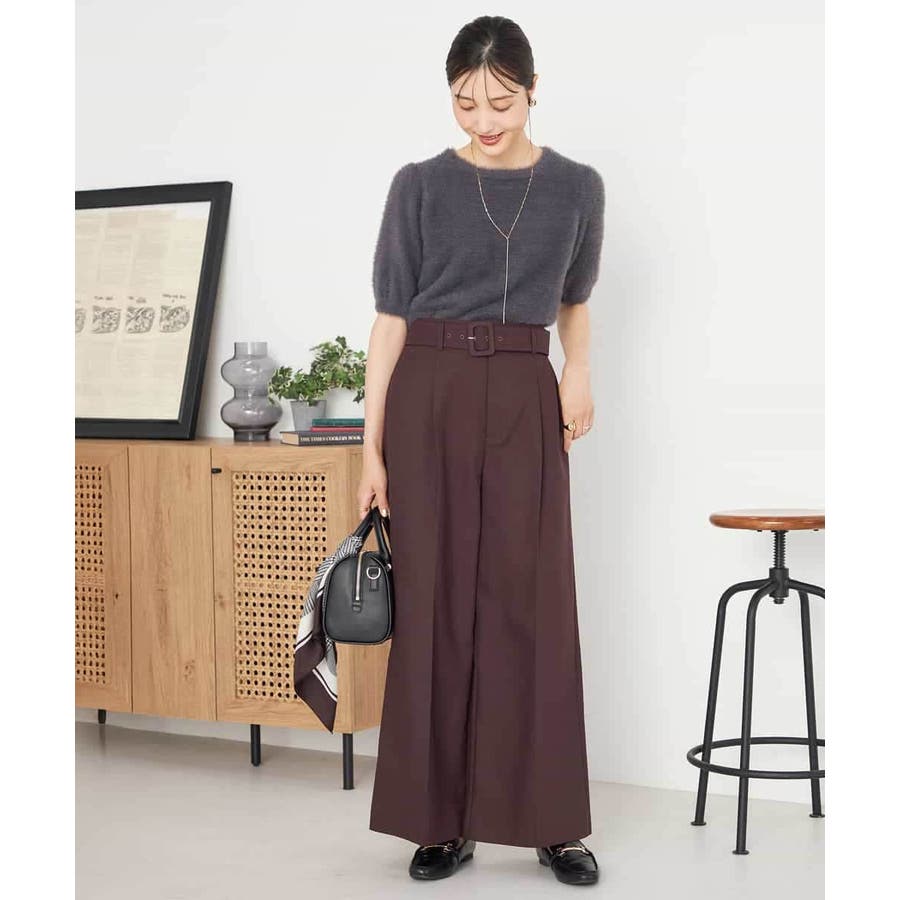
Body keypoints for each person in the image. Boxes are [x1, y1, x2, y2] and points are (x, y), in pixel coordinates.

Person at [357, 15, 605, 888]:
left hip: (526, 389)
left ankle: (551, 822)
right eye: (465, 103)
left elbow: (573, 299)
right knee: (434, 606)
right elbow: (390, 321)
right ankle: (441, 820)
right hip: (428, 392)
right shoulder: (419, 185)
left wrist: (578, 372)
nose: (483, 120)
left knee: (532, 602)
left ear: (533, 90)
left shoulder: (576, 187)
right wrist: (371, 450)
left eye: (500, 101)